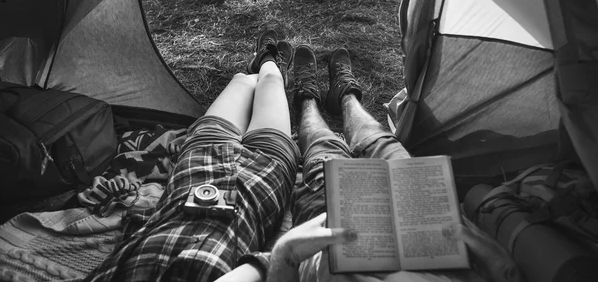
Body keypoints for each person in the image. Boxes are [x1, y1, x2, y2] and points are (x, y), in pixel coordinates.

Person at [215, 45, 524, 282]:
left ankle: (306, 96)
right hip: (431, 233)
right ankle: (346, 94)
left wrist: (286, 254)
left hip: (330, 226)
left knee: (323, 144)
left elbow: (271, 266)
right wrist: (494, 258)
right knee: (380, 140)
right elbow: (507, 271)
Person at [83, 29, 297, 282]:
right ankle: (271, 64)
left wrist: (128, 199)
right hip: (262, 178)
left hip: (198, 165)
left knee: (242, 79)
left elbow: (137, 225)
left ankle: (262, 61)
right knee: (270, 82)